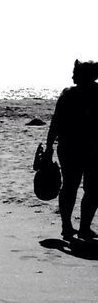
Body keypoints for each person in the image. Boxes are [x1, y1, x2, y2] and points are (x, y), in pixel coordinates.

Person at [45, 59, 98, 241]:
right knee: (87, 189)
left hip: (74, 149)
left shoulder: (69, 95)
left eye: (76, 72)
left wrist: (49, 147)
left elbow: (55, 124)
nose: (73, 75)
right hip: (80, 150)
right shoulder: (71, 94)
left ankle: (72, 227)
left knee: (75, 188)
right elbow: (56, 123)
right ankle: (75, 227)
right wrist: (49, 147)